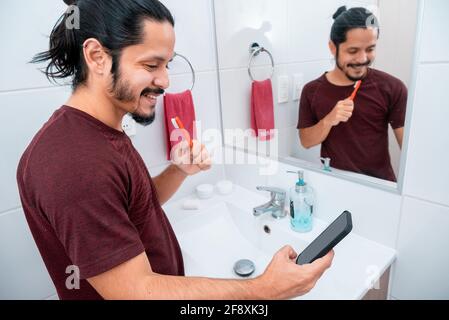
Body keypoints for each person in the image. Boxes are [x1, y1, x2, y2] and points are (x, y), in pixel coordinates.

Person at [17, 0, 333, 300]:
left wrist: (179, 170)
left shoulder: (103, 133)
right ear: (97, 57)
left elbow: (134, 207)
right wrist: (264, 289)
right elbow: (136, 291)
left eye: (167, 64)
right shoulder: (73, 161)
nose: (166, 81)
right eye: (151, 64)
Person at [298, 6, 408, 182]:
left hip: (381, 188)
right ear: (333, 47)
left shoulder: (392, 87)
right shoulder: (312, 91)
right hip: (334, 184)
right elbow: (306, 141)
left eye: (370, 49)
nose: (363, 59)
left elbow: (409, 150)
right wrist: (329, 120)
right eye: (353, 51)